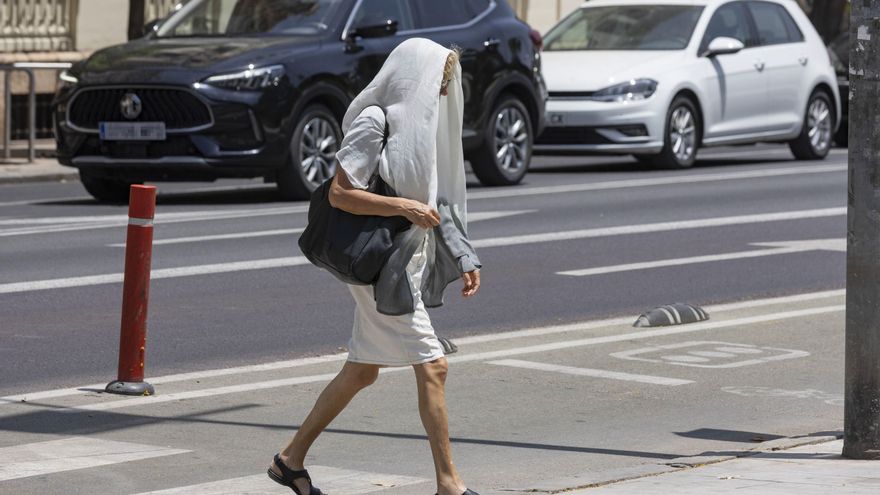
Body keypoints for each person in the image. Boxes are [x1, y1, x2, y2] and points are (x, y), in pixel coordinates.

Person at [267, 38, 482, 495]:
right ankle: (449, 484)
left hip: (402, 257)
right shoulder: (374, 120)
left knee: (362, 370)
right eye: (439, 83)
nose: (443, 94)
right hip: (381, 264)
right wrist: (403, 207)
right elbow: (341, 193)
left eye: (448, 85)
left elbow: (436, 202)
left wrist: (464, 255)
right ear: (415, 79)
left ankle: (290, 460)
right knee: (434, 365)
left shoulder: (419, 133)